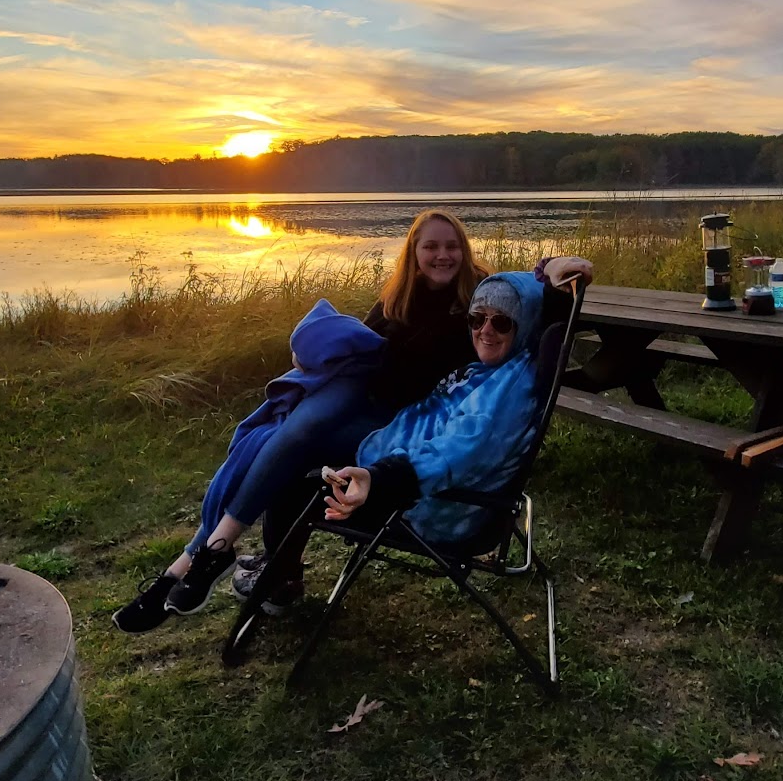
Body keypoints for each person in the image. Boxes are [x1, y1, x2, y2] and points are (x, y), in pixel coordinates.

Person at [112, 210, 588, 632]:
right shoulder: (397, 298)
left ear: (464, 253)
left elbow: (534, 304)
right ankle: (211, 556)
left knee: (297, 450)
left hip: (400, 427)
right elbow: (361, 347)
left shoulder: (482, 298)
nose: (442, 256)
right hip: (370, 404)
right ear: (415, 253)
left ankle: (228, 566)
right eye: (431, 247)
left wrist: (552, 269)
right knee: (282, 435)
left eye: (451, 246)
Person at [319, 269, 554, 550]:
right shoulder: (495, 368)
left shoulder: (507, 393)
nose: (485, 330)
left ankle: (278, 577)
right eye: (477, 318)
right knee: (309, 439)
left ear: (526, 324)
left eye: (502, 322)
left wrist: (379, 479)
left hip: (424, 507)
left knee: (294, 481)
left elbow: (454, 453)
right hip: (394, 463)